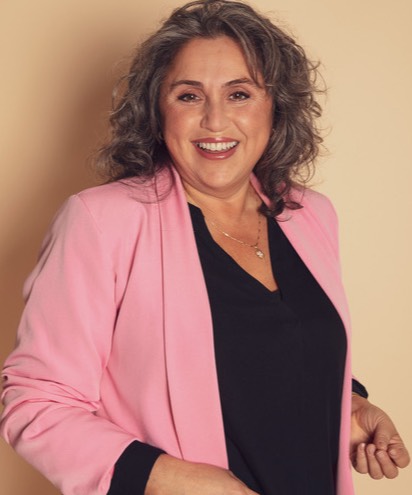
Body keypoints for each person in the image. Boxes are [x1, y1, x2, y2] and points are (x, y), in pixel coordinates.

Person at [0, 1, 409, 494]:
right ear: (157, 111)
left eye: (239, 94)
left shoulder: (310, 215)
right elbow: (37, 404)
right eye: (189, 95)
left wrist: (351, 404)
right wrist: (174, 479)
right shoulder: (102, 221)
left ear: (275, 107)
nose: (216, 120)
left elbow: (279, 351)